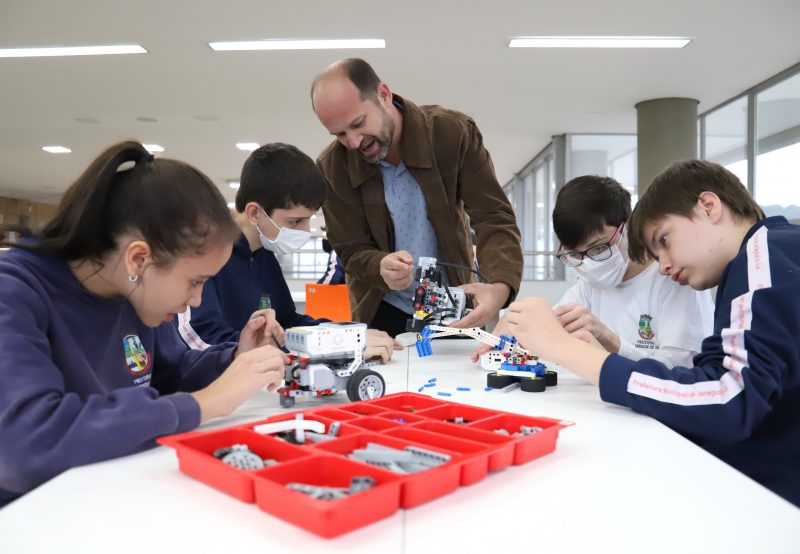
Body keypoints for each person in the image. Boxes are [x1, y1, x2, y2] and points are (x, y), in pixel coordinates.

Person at [0, 142, 288, 508]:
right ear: (139, 258)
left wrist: (236, 358)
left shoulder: (135, 291)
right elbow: (24, 445)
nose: (197, 301)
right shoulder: (14, 290)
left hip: (117, 489)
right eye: (195, 281)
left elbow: (171, 371)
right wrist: (204, 404)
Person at [504, 160, 800, 507]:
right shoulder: (755, 265)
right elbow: (716, 378)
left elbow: (730, 397)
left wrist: (573, 352)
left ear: (708, 206)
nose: (664, 266)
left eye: (665, 240)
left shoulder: (761, 258)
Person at [311, 58, 523, 337]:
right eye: (339, 134)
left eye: (358, 124)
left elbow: (494, 218)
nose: (353, 142)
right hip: (382, 310)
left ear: (384, 95)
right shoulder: (332, 168)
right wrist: (379, 266)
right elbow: (350, 250)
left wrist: (500, 286)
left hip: (455, 301)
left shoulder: (452, 134)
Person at [176, 143, 398, 361]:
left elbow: (287, 322)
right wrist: (330, 347)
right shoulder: (203, 252)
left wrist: (347, 334)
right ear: (254, 212)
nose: (305, 230)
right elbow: (203, 339)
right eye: (296, 221)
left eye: (308, 219)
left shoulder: (264, 254)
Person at [473, 175, 714, 368]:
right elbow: (544, 333)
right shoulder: (587, 289)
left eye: (598, 248)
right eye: (576, 255)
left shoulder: (674, 279)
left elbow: (681, 372)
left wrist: (608, 339)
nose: (589, 264)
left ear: (626, 227)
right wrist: (515, 328)